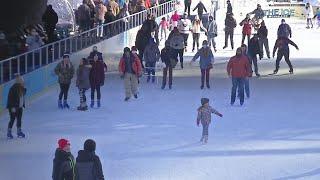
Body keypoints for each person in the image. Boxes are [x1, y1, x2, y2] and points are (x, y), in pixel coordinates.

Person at [6, 75, 27, 139]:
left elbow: (22, 94)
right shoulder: (14, 88)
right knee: (12, 118)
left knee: (19, 119)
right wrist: (12, 107)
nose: (23, 82)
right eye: (22, 81)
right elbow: (12, 98)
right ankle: (9, 132)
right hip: (13, 107)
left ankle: (19, 131)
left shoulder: (20, 87)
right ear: (19, 82)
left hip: (19, 106)